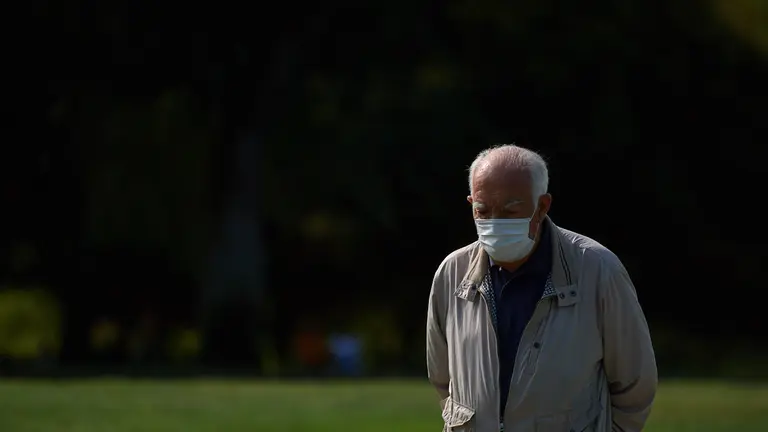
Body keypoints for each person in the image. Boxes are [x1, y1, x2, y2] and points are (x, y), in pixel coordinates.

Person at [426, 144, 657, 432]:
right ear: (471, 202)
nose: (494, 223)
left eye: (510, 212)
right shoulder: (452, 273)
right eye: (482, 211)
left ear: (542, 206)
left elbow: (635, 383)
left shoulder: (597, 270)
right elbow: (442, 378)